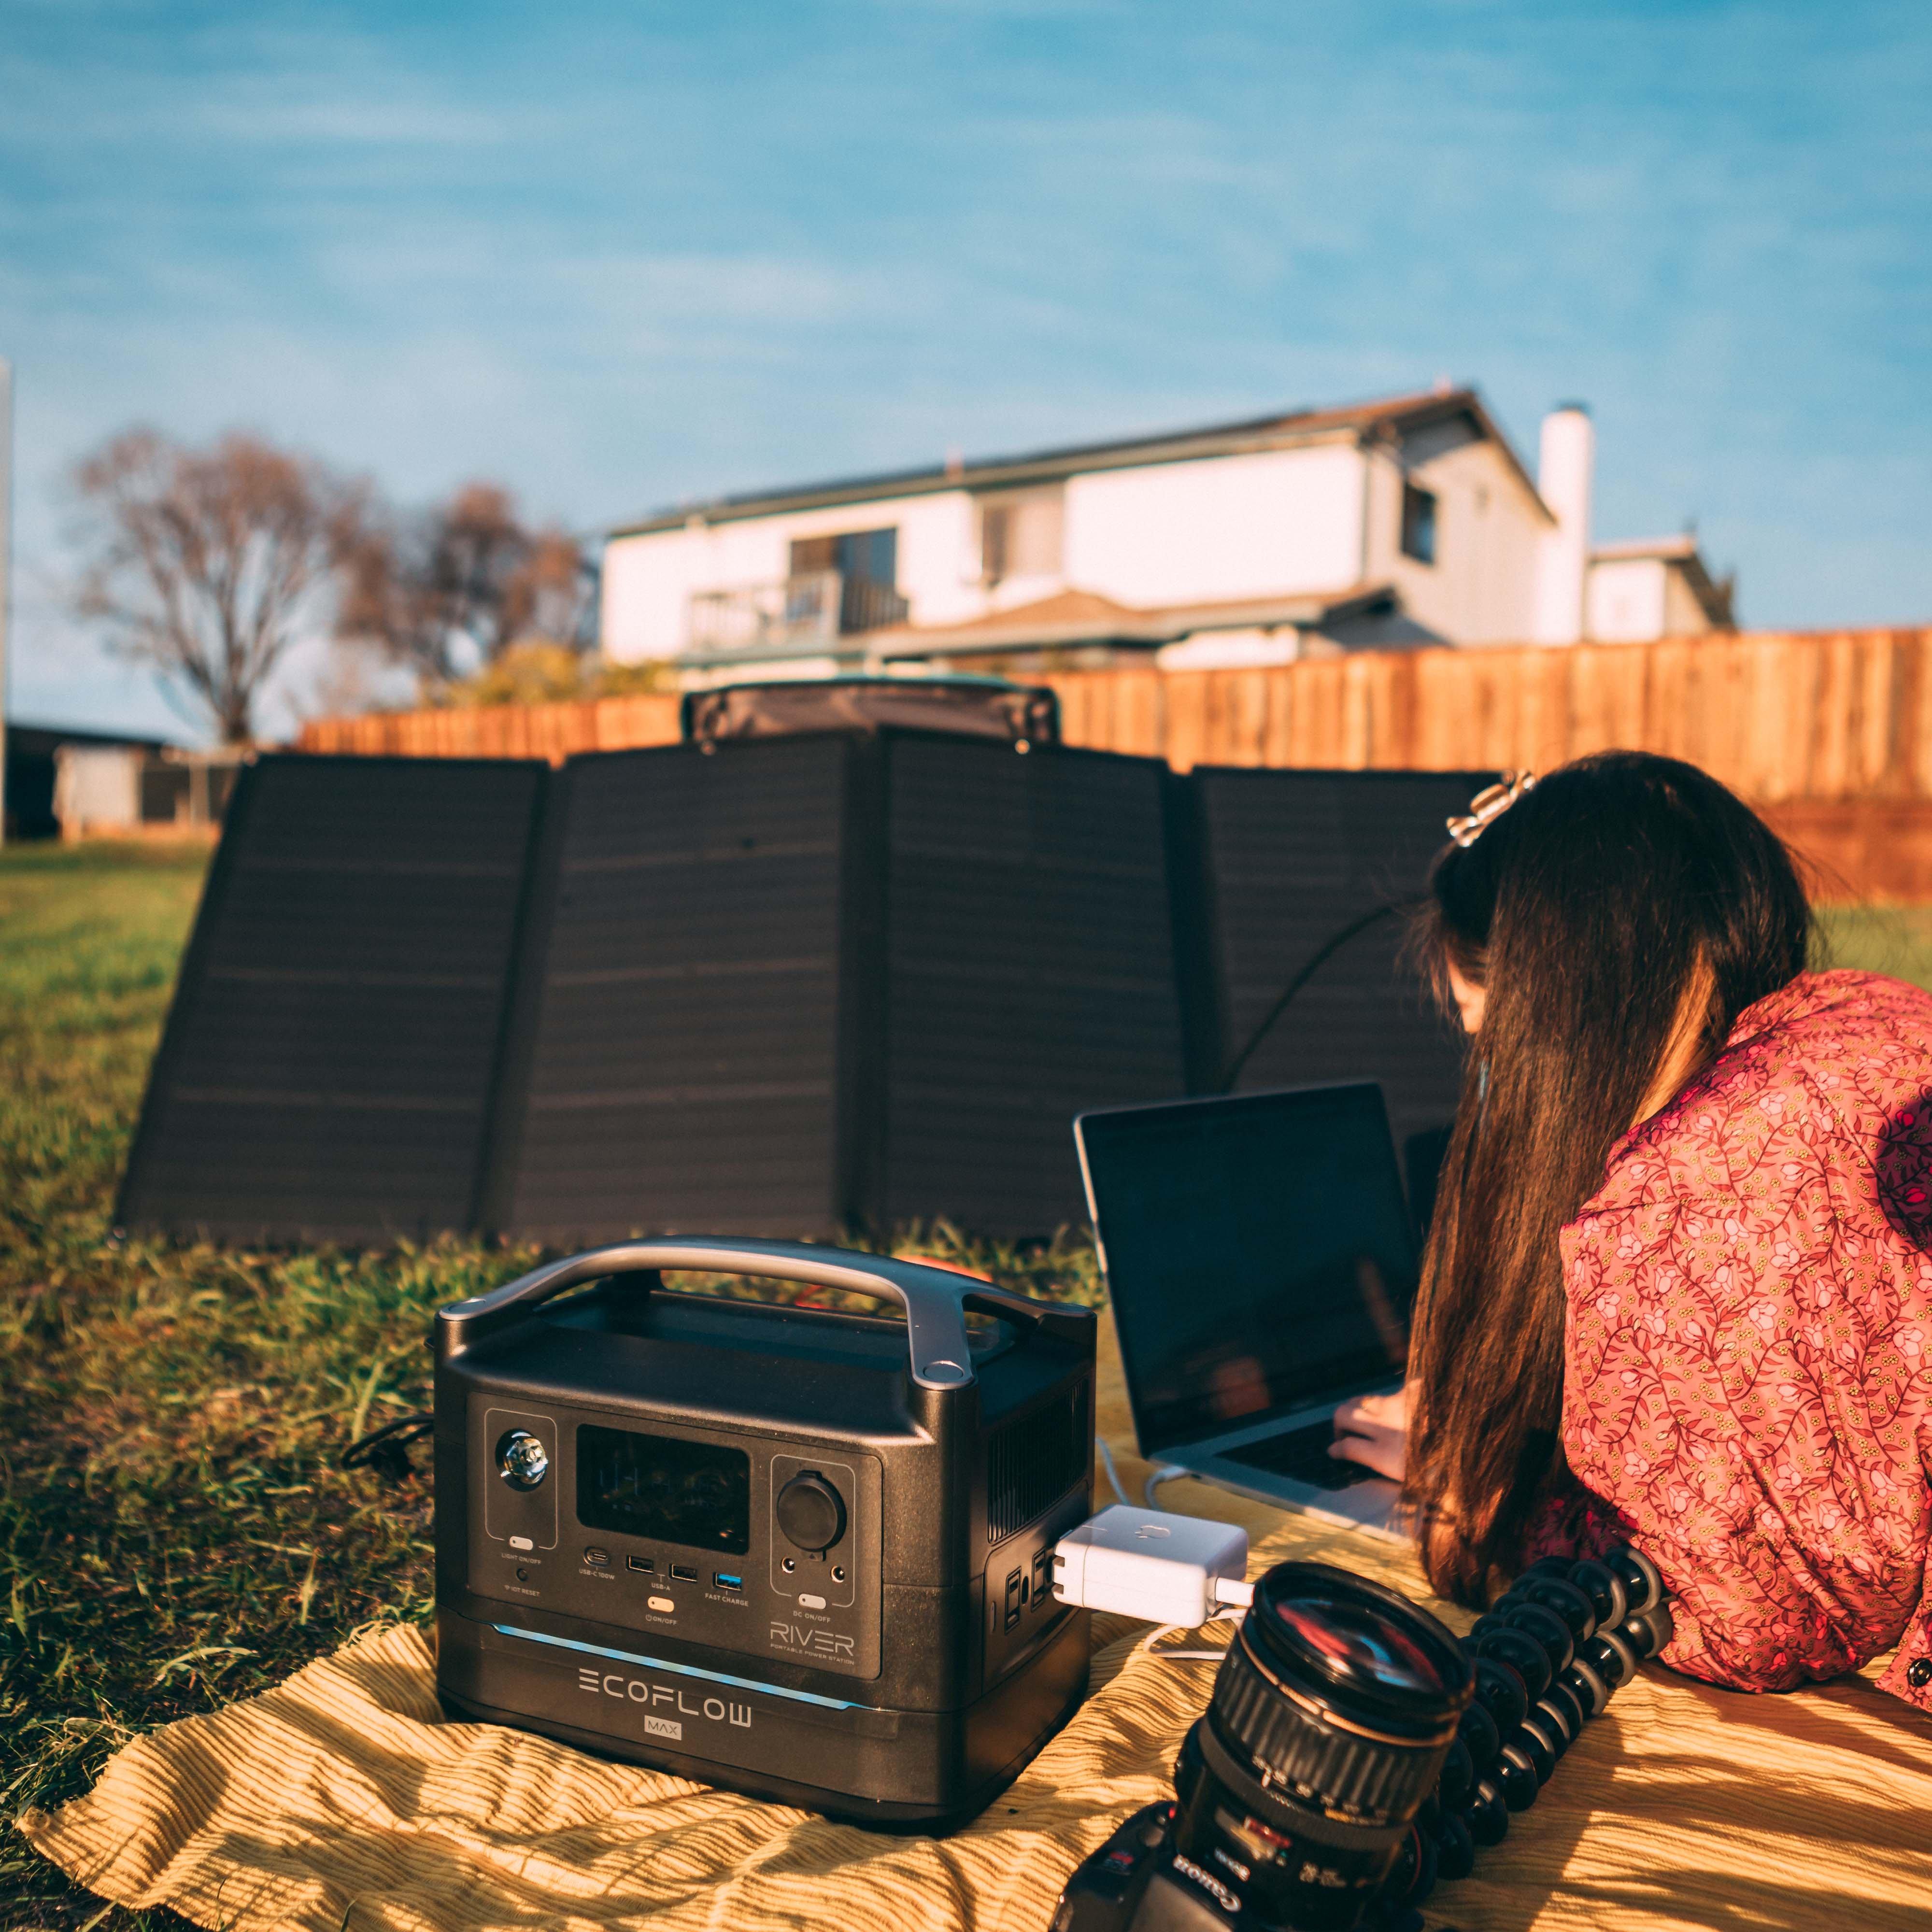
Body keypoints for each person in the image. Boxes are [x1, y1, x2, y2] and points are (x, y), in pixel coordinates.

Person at [1329, 751, 1932, 1713]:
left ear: (1562, 1011)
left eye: (1489, 1039)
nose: (1486, 1079)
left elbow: (1756, 1611)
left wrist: (1492, 1513)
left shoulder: (1680, 1199)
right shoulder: (1863, 1017)